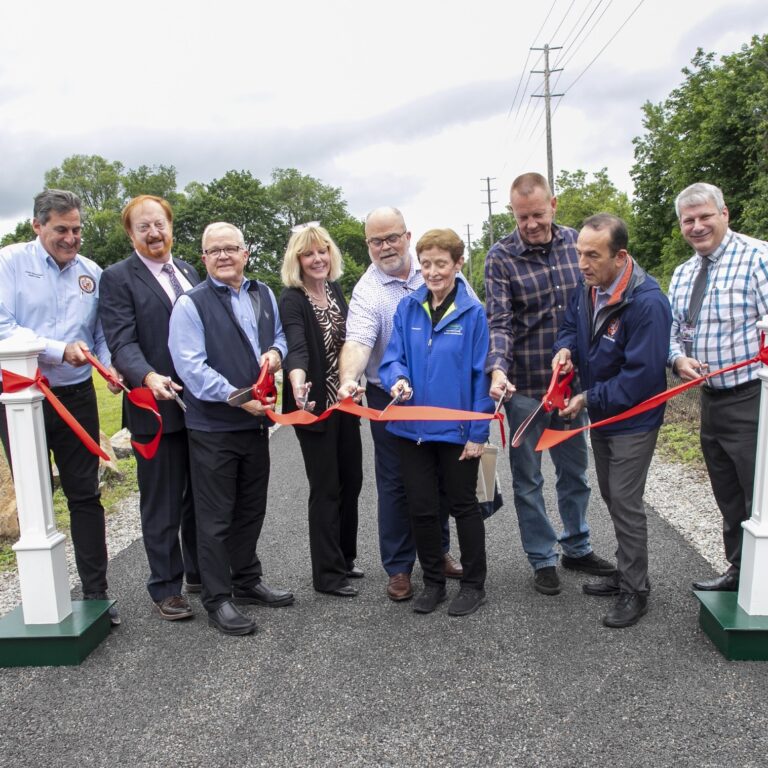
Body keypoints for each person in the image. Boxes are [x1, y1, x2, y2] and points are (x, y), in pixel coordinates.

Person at [485, 172, 615, 596]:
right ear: (513, 213)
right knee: (528, 480)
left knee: (575, 473)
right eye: (522, 217)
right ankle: (542, 558)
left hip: (571, 392)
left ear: (553, 205)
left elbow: (595, 306)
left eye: (538, 214)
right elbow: (499, 322)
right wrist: (498, 368)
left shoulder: (577, 244)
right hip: (523, 390)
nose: (531, 224)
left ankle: (577, 545)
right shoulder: (500, 257)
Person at [0, 189, 121, 625]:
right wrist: (56, 350)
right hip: (21, 400)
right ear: (37, 226)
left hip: (76, 397)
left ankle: (95, 594)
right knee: (36, 498)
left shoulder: (92, 272)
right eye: (61, 230)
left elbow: (103, 333)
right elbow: (3, 327)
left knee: (86, 494)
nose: (71, 238)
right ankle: (40, 599)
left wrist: (109, 369)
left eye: (77, 229)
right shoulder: (10, 263)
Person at [168, 221, 292, 636]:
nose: (223, 256)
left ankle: (246, 579)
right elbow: (191, 368)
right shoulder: (191, 304)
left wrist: (275, 353)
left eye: (230, 248)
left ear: (245, 253)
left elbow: (278, 337)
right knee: (216, 516)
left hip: (256, 427)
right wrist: (241, 398)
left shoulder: (264, 293)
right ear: (203, 259)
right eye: (214, 250)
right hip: (215, 428)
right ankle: (218, 598)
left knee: (251, 508)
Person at [338, 207, 462, 602]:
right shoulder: (367, 290)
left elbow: (476, 317)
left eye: (392, 237)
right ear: (367, 245)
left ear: (408, 236)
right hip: (387, 396)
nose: (385, 246)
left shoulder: (437, 268)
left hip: (440, 397)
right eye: (376, 241)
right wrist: (347, 379)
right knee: (394, 484)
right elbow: (358, 341)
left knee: (440, 477)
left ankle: (438, 552)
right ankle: (398, 567)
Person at [553, 214, 672, 628]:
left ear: (620, 256)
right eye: (579, 253)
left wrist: (586, 398)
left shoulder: (648, 303)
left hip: (633, 419)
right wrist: (565, 350)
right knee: (612, 495)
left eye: (592, 256)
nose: (582, 264)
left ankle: (636, 590)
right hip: (603, 416)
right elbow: (570, 326)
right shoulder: (589, 288)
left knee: (624, 500)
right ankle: (625, 573)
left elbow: (640, 379)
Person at [99, 194, 200, 622]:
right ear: (131, 234)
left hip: (199, 406)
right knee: (161, 501)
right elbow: (121, 342)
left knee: (201, 497)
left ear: (171, 226)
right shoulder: (118, 278)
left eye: (159, 224)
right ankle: (166, 587)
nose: (154, 233)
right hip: (153, 407)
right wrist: (145, 377)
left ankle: (201, 573)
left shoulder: (191, 272)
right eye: (144, 227)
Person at [380, 228, 491, 616]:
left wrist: (478, 432)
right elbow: (393, 358)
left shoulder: (474, 313)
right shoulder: (408, 307)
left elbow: (481, 375)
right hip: (412, 431)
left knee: (463, 506)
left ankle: (474, 585)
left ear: (458, 264)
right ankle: (433, 583)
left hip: (459, 432)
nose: (432, 272)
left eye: (441, 264)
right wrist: (397, 378)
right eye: (425, 264)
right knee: (422, 508)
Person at [668, 182, 768, 592]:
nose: (697, 226)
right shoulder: (684, 272)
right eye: (688, 220)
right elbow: (672, 332)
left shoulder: (758, 257)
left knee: (758, 494)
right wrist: (677, 358)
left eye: (705, 216)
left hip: (753, 398)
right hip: (711, 400)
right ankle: (739, 571)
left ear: (725, 214)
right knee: (727, 492)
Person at [278, 223, 363, 597]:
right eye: (309, 253)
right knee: (326, 487)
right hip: (312, 405)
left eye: (322, 251)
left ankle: (345, 557)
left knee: (353, 479)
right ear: (297, 260)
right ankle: (327, 575)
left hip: (343, 402)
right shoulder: (292, 299)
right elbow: (296, 346)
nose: (317, 259)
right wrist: (296, 379)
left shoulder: (334, 289)